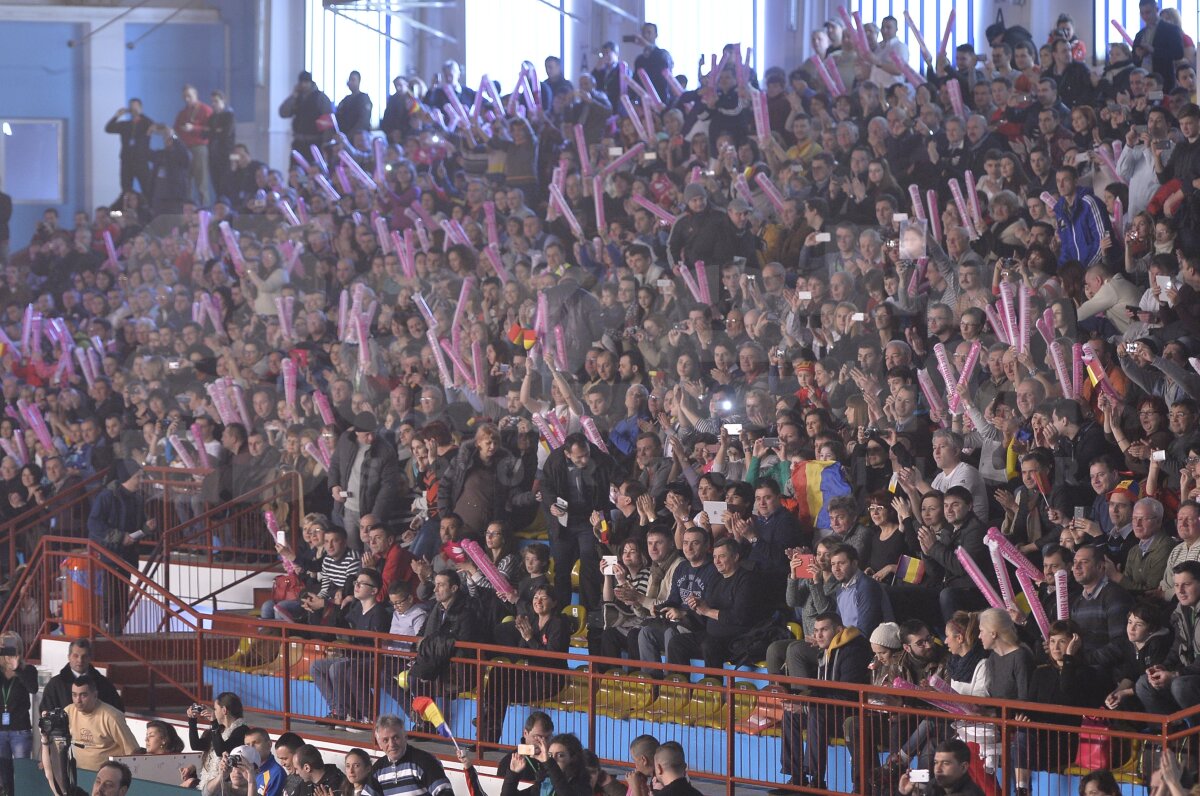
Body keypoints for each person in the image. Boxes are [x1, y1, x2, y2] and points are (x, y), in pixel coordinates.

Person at [1135, 561, 1200, 714]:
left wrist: (1175, 674)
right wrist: (1164, 667)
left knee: (1180, 685)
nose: (1180, 591)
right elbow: (1177, 647)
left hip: (1190, 678)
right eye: (1176, 585)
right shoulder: (1181, 610)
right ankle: (1170, 728)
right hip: (1189, 675)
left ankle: (1194, 729)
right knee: (1143, 683)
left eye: (1186, 584)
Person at [50, 676, 139, 773]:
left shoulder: (112, 717)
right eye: (74, 695)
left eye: (83, 695)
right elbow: (55, 742)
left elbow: (133, 752)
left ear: (95, 695)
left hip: (107, 776)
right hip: (77, 773)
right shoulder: (68, 712)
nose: (78, 700)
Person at [364, 715, 451, 796]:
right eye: (385, 740)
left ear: (405, 737)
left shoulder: (424, 761)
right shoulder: (378, 769)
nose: (391, 744)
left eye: (395, 737)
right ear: (379, 744)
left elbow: (445, 793)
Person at [41, 639, 124, 713]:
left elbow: (118, 711)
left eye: (84, 656)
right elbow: (46, 712)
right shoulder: (55, 684)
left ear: (90, 658)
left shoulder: (103, 683)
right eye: (76, 656)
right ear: (69, 657)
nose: (80, 660)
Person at [897, 739, 988, 796]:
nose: (938, 769)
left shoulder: (970, 793)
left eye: (946, 763)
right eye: (936, 762)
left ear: (963, 767)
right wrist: (903, 793)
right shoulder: (934, 784)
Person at [104, 100, 155, 200]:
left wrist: (140, 114)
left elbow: (152, 125)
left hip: (141, 161)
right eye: (131, 107)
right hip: (127, 162)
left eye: (135, 107)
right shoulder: (125, 125)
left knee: (148, 189)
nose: (133, 109)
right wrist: (117, 116)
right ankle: (127, 208)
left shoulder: (146, 124)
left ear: (141, 108)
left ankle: (150, 208)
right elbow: (108, 129)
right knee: (126, 191)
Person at [173, 84, 213, 206]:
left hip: (199, 148)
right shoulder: (182, 113)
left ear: (195, 95)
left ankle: (205, 209)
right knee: (186, 182)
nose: (187, 99)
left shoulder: (205, 110)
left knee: (201, 182)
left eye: (189, 96)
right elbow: (176, 129)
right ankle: (188, 210)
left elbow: (210, 129)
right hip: (184, 149)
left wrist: (194, 128)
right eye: (184, 97)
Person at [279, 71, 333, 152]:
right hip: (298, 143)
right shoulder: (297, 97)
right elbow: (283, 113)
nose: (303, 85)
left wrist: (325, 143)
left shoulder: (320, 98)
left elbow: (327, 122)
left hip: (315, 143)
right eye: (301, 82)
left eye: (306, 82)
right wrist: (293, 96)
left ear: (310, 83)